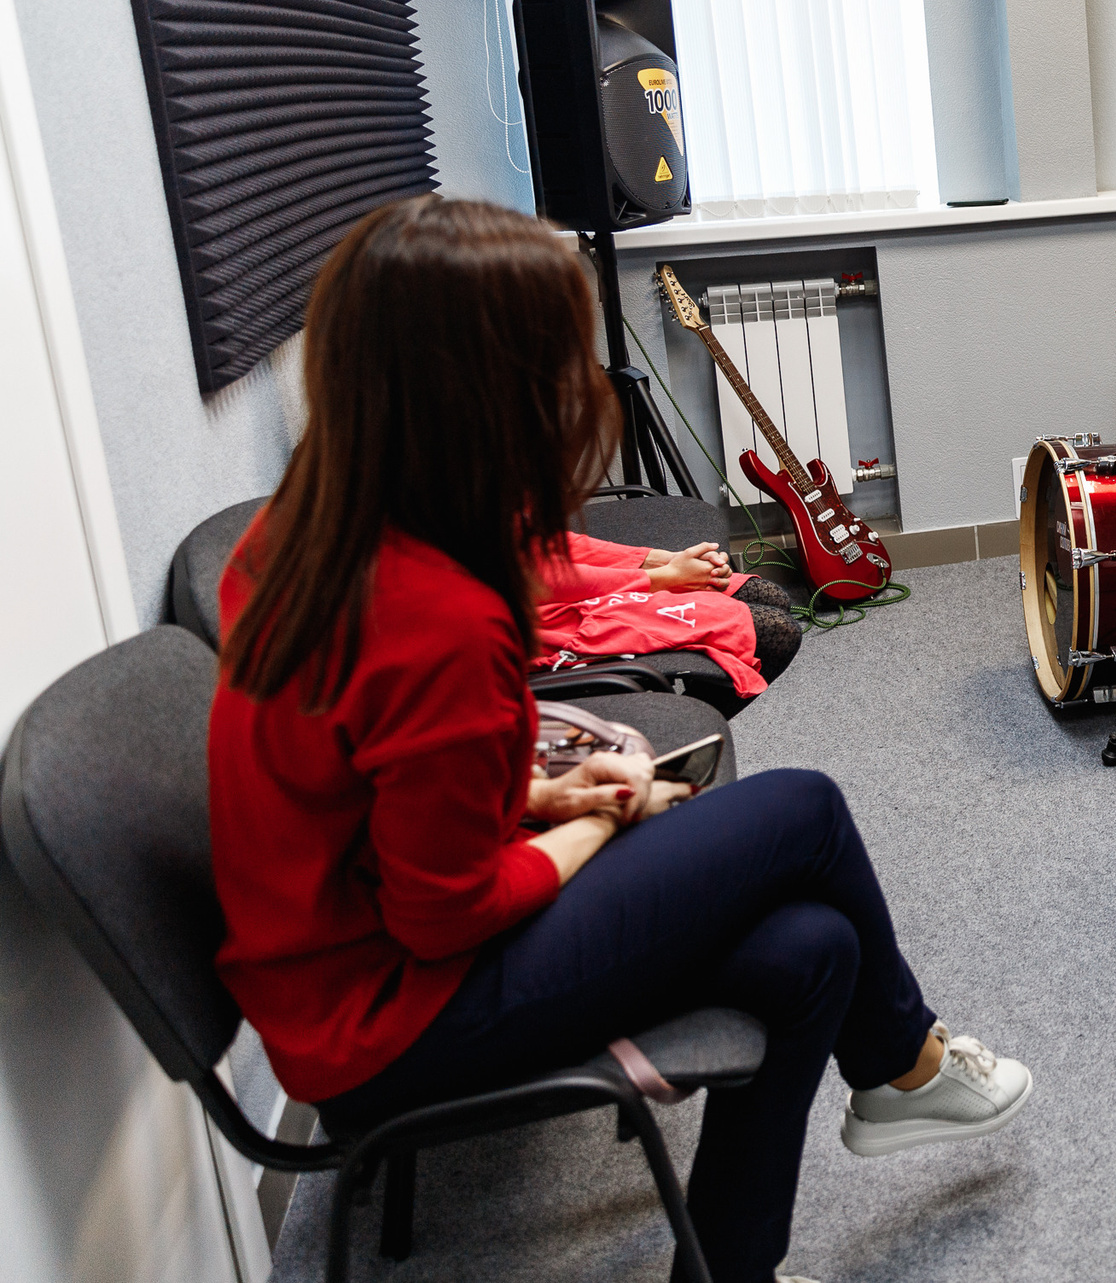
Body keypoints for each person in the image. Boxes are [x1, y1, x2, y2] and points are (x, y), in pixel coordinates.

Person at [208, 196, 1031, 1283]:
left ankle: (743, 1254)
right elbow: (443, 912)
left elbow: (379, 791)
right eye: (556, 360)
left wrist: (546, 800)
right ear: (484, 388)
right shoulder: (433, 615)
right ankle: (907, 1069)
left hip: (346, 984)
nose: (576, 387)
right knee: (803, 811)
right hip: (398, 1027)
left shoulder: (306, 527)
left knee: (813, 952)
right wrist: (600, 817)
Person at [535, 529, 801, 697]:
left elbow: (543, 543)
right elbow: (531, 578)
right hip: (547, 623)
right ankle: (676, 744)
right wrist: (664, 578)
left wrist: (663, 559)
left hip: (569, 585)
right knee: (777, 633)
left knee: (767, 595)